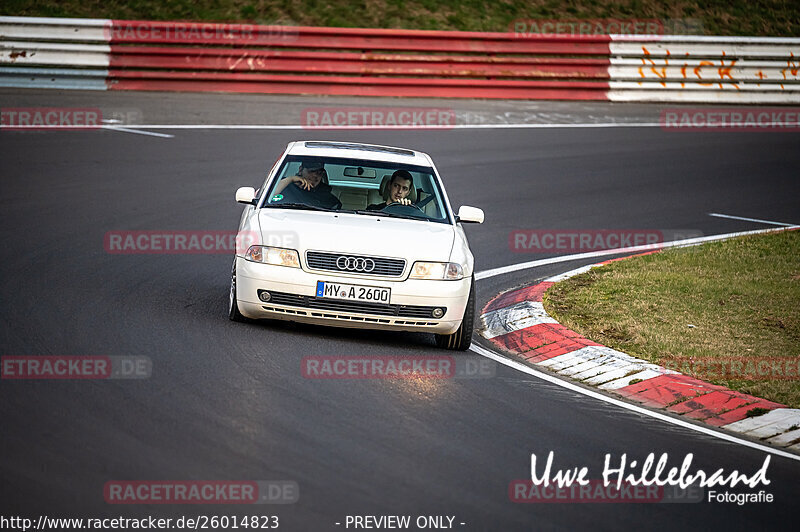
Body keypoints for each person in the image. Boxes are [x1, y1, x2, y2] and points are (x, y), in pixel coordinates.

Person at [271, 160, 341, 209]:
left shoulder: (328, 198)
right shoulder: (285, 185)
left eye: (319, 173)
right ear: (301, 170)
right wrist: (290, 179)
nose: (315, 176)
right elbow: (268, 195)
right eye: (311, 171)